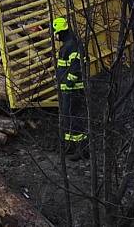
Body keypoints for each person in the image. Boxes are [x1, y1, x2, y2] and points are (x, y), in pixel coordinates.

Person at [53, 16, 88, 160]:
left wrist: (68, 84)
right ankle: (70, 146)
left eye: (55, 32)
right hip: (67, 90)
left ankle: (82, 150)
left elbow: (76, 67)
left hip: (73, 90)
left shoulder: (72, 45)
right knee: (68, 118)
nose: (55, 35)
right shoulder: (68, 44)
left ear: (60, 31)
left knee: (75, 119)